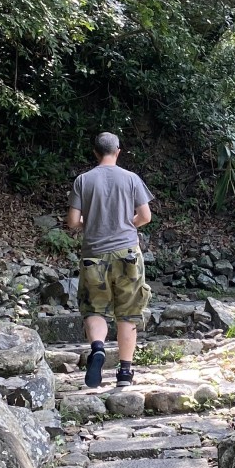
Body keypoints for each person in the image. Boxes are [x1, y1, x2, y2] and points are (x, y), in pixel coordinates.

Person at [67, 132, 153, 388]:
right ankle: (125, 374)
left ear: (95, 152)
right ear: (118, 150)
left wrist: (90, 224)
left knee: (94, 309)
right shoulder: (131, 179)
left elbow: (72, 222)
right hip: (127, 253)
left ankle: (98, 348)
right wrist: (127, 225)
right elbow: (145, 216)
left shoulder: (83, 180)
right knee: (128, 313)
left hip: (94, 254)